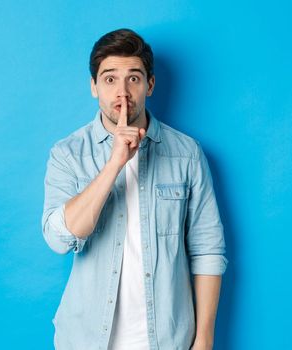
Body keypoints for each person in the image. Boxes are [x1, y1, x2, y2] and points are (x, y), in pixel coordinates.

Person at [42, 28, 227, 350]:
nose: (122, 92)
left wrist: (204, 340)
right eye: (110, 79)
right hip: (85, 339)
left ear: (150, 85)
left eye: (134, 78)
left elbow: (208, 250)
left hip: (167, 339)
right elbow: (59, 239)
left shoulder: (187, 153)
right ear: (94, 87)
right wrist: (115, 163)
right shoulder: (68, 153)